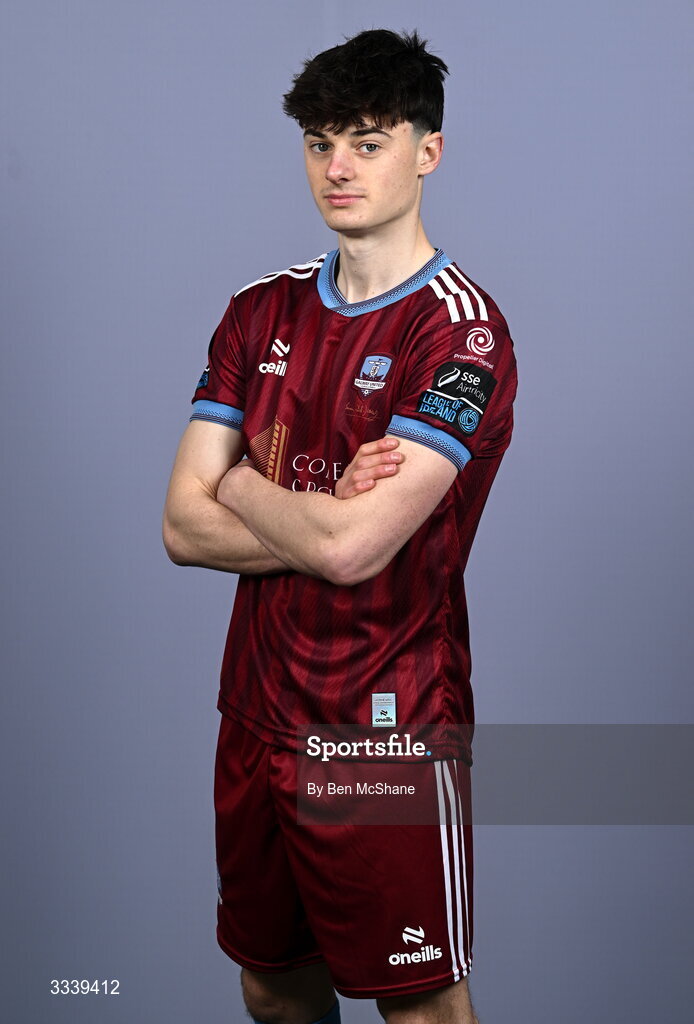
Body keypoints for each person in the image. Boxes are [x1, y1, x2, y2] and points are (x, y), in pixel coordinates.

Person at [163, 28, 517, 1024]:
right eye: (320, 143)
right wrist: (313, 511)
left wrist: (238, 480)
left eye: (366, 141)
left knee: (421, 1008)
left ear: (427, 150)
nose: (338, 167)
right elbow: (180, 526)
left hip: (381, 728)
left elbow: (350, 549)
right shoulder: (257, 312)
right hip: (254, 710)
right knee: (272, 985)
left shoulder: (461, 332)